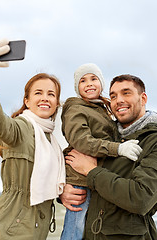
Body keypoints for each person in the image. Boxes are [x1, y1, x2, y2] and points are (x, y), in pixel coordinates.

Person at [62, 74, 157, 240]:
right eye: (113, 96)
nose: (118, 100)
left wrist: (91, 171)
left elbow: (140, 198)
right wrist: (64, 192)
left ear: (143, 98)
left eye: (126, 93)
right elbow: (72, 155)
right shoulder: (105, 136)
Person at [0, 38, 65, 240]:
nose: (45, 98)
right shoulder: (22, 128)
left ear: (57, 102)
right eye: (38, 93)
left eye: (51, 94)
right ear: (27, 101)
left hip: (36, 231)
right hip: (9, 229)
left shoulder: (53, 141)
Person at [60, 64, 142, 240]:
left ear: (101, 83)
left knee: (89, 228)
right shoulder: (76, 108)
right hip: (80, 179)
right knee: (75, 229)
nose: (89, 84)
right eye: (83, 81)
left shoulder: (102, 108)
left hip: (95, 177)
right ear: (77, 87)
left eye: (93, 79)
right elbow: (81, 141)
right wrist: (118, 149)